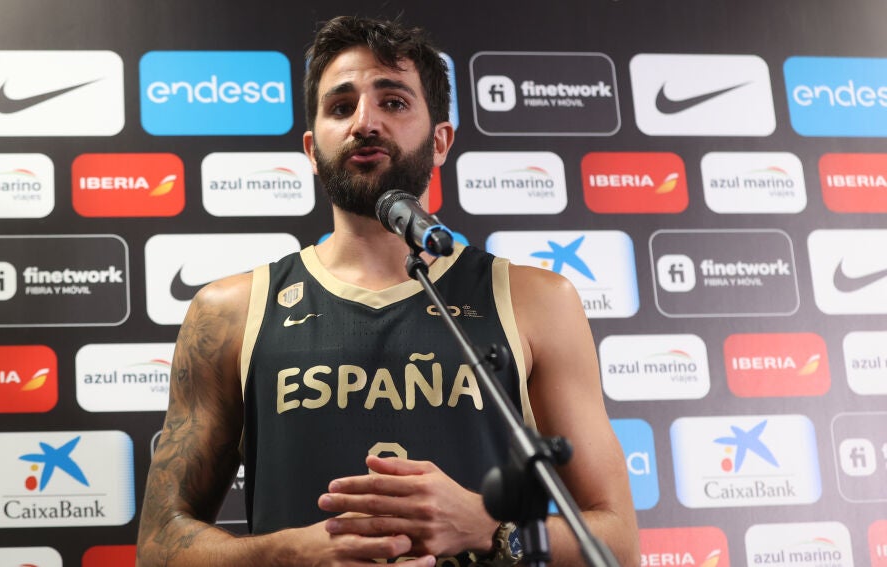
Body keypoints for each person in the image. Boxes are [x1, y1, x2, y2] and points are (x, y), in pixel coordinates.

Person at [136, 15, 638, 567]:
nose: (364, 122)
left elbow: (617, 542)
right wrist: (290, 553)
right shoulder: (230, 310)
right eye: (340, 106)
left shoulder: (537, 299)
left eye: (393, 102)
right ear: (311, 149)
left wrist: (487, 527)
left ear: (440, 140)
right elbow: (158, 547)